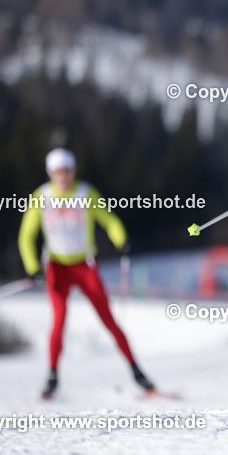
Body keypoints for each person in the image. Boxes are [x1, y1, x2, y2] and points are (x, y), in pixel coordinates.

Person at [18, 148, 156, 399]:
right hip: (57, 268)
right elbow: (26, 236)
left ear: (74, 171)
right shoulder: (42, 196)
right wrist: (32, 268)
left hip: (84, 266)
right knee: (59, 321)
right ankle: (52, 376)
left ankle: (138, 372)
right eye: (58, 173)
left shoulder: (85, 193)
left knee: (109, 320)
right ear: (51, 173)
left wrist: (121, 239)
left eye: (67, 172)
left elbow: (109, 220)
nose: (63, 178)